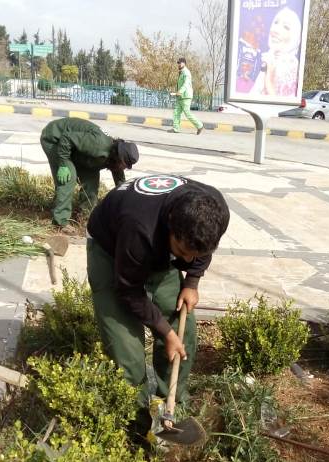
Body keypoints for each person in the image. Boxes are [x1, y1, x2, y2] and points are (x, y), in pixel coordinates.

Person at [86, 175, 230, 444]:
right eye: (182, 251)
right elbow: (129, 291)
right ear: (170, 225)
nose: (185, 260)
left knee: (182, 334)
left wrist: (192, 280)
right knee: (127, 353)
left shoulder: (215, 211)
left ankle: (172, 407)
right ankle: (135, 424)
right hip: (111, 249)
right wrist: (164, 333)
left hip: (155, 244)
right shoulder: (138, 226)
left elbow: (197, 251)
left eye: (194, 256)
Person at [40, 117, 139, 232]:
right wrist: (63, 164)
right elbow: (66, 138)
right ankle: (60, 222)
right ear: (117, 155)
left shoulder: (115, 159)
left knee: (91, 185)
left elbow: (121, 184)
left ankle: (85, 216)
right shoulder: (98, 145)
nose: (123, 168)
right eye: (123, 165)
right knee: (68, 177)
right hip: (55, 139)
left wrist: (127, 202)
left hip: (76, 151)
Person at [252, 6, 302, 97]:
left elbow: (281, 108)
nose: (275, 31)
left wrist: (269, 81)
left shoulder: (292, 68)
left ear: (295, 37)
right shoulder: (269, 59)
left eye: (286, 27)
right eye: (276, 22)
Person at [170, 58, 203, 134]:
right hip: (180, 96)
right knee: (176, 112)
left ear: (184, 63)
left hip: (186, 96)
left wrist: (180, 92)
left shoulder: (186, 72)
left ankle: (199, 126)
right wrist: (178, 93)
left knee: (187, 113)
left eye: (180, 63)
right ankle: (175, 129)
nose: (179, 64)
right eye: (178, 63)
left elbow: (186, 84)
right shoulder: (181, 72)